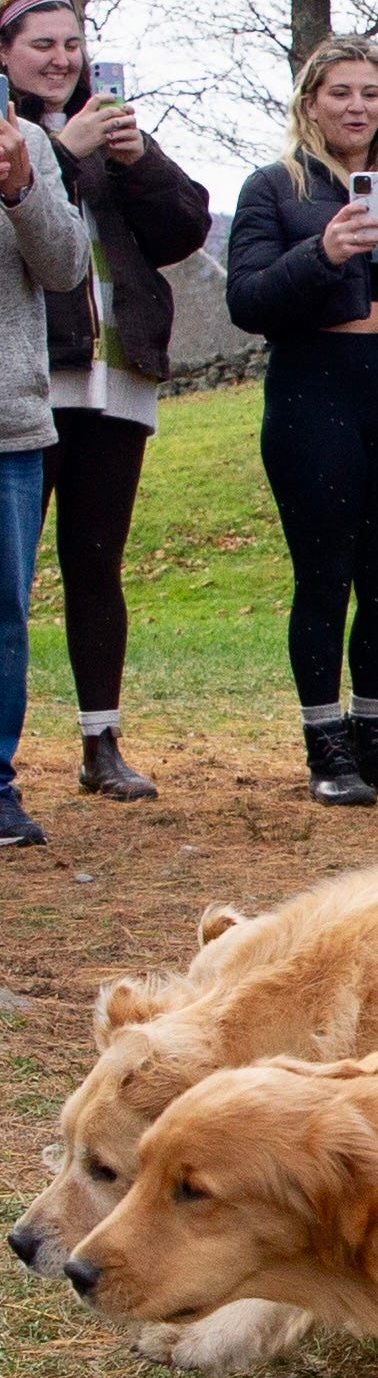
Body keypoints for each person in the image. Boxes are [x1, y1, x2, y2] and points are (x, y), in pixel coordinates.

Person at [226, 37, 378, 805]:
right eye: (340, 92)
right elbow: (247, 299)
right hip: (311, 394)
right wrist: (323, 250)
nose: (356, 106)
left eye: (370, 92)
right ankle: (325, 744)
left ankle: (375, 738)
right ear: (310, 102)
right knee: (325, 577)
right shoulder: (274, 188)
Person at [0, 0, 211, 804]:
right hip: (28, 379)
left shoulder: (112, 128)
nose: (60, 59)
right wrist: (63, 147)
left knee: (98, 560)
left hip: (115, 374)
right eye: (41, 44)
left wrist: (137, 157)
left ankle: (102, 741)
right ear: (8, 53)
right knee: (9, 582)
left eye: (72, 43)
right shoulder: (17, 135)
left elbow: (186, 227)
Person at [0, 70, 91, 846]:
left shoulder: (27, 143)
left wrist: (23, 187)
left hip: (9, 425)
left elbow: (67, 268)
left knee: (3, 616)